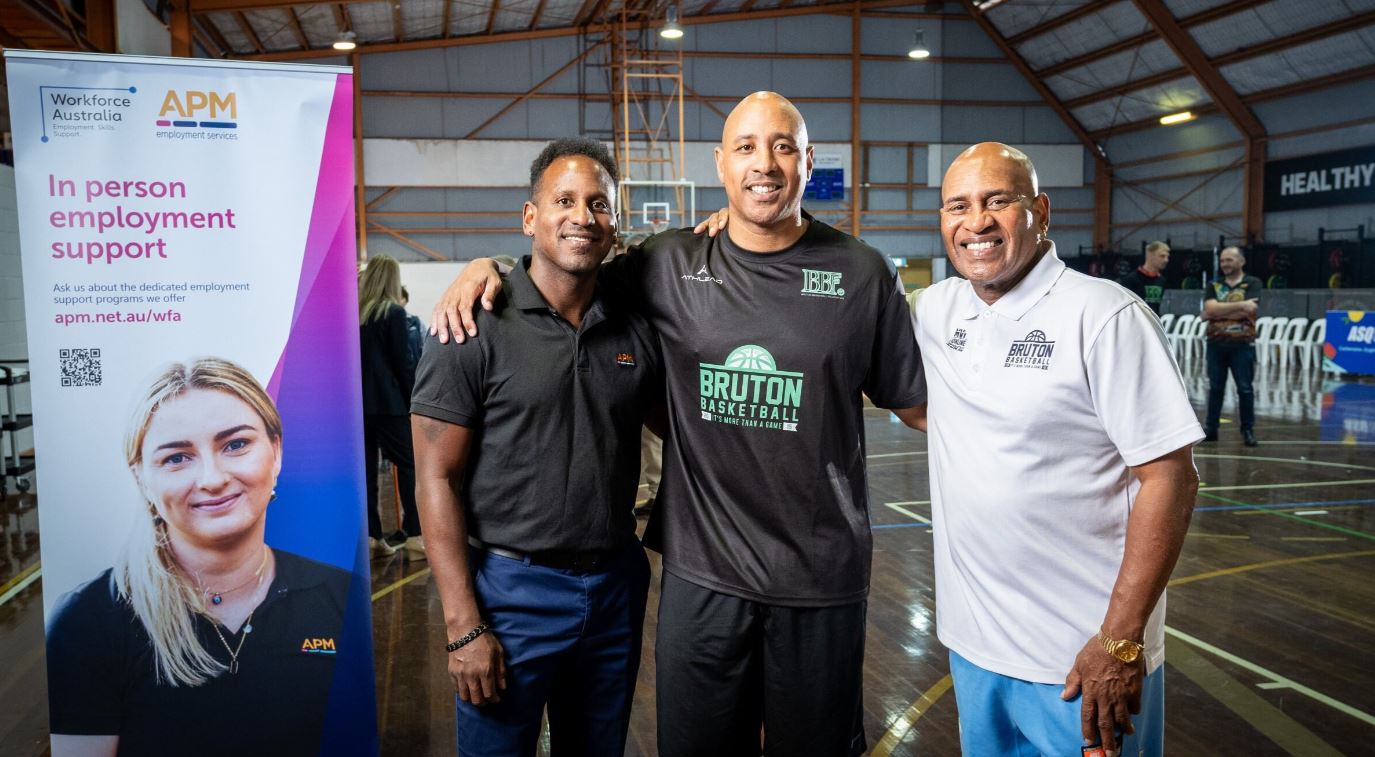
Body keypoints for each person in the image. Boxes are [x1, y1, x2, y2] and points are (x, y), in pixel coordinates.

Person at [432, 92, 926, 757]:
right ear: (720, 164)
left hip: (820, 578)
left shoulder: (863, 273)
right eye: (746, 147)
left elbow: (920, 408)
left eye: (783, 146)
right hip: (702, 576)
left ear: (808, 163)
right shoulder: (666, 263)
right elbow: (565, 263)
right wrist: (486, 267)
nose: (765, 163)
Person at [917, 144, 1202, 757]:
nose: (977, 222)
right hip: (974, 649)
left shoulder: (1105, 316)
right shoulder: (936, 311)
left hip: (1080, 664)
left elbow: (1171, 479)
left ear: (1040, 211)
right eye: (957, 206)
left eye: (998, 201)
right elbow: (915, 404)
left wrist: (1121, 642)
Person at [412, 137, 661, 756]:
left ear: (615, 222)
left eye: (599, 204)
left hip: (613, 589)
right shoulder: (471, 326)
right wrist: (463, 626)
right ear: (530, 217)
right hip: (510, 595)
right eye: (564, 200)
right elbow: (434, 479)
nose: (582, 216)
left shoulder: (634, 322)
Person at [45, 358, 351, 757]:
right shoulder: (88, 621)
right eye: (176, 457)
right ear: (141, 478)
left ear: (275, 452)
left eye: (236, 444)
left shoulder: (342, 595)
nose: (212, 478)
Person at [358, 255, 424, 558]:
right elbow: (403, 363)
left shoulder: (355, 316)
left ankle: (372, 538)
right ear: (393, 280)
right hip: (391, 405)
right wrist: (416, 400)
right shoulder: (394, 314)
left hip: (358, 407)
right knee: (412, 466)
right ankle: (414, 536)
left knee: (367, 473)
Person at [1202, 246, 1262, 446]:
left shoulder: (1252, 283)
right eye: (1222, 261)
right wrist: (1240, 306)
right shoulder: (1214, 284)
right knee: (1215, 388)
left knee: (1245, 389)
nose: (1225, 264)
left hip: (1242, 345)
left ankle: (1247, 430)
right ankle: (1211, 429)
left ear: (1241, 261)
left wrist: (1218, 311)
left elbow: (1251, 310)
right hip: (1215, 344)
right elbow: (1209, 309)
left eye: (1229, 260)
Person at [1118, 240, 1170, 315]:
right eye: (1162, 256)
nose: (1166, 260)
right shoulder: (1131, 279)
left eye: (1167, 257)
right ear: (1151, 256)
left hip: (1154, 323)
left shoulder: (1161, 280)